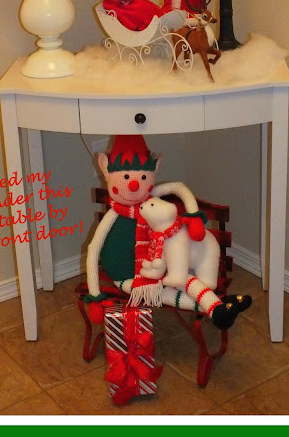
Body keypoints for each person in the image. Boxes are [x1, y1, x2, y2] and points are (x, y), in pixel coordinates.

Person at [85, 135, 252, 330]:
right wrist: (95, 296)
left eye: (143, 177)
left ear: (154, 171)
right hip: (125, 276)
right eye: (126, 177)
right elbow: (93, 249)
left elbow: (179, 187)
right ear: (106, 170)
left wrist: (194, 217)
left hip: (158, 264)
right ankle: (218, 307)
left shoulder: (149, 201)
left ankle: (219, 307)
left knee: (183, 279)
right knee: (167, 292)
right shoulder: (115, 214)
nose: (134, 185)